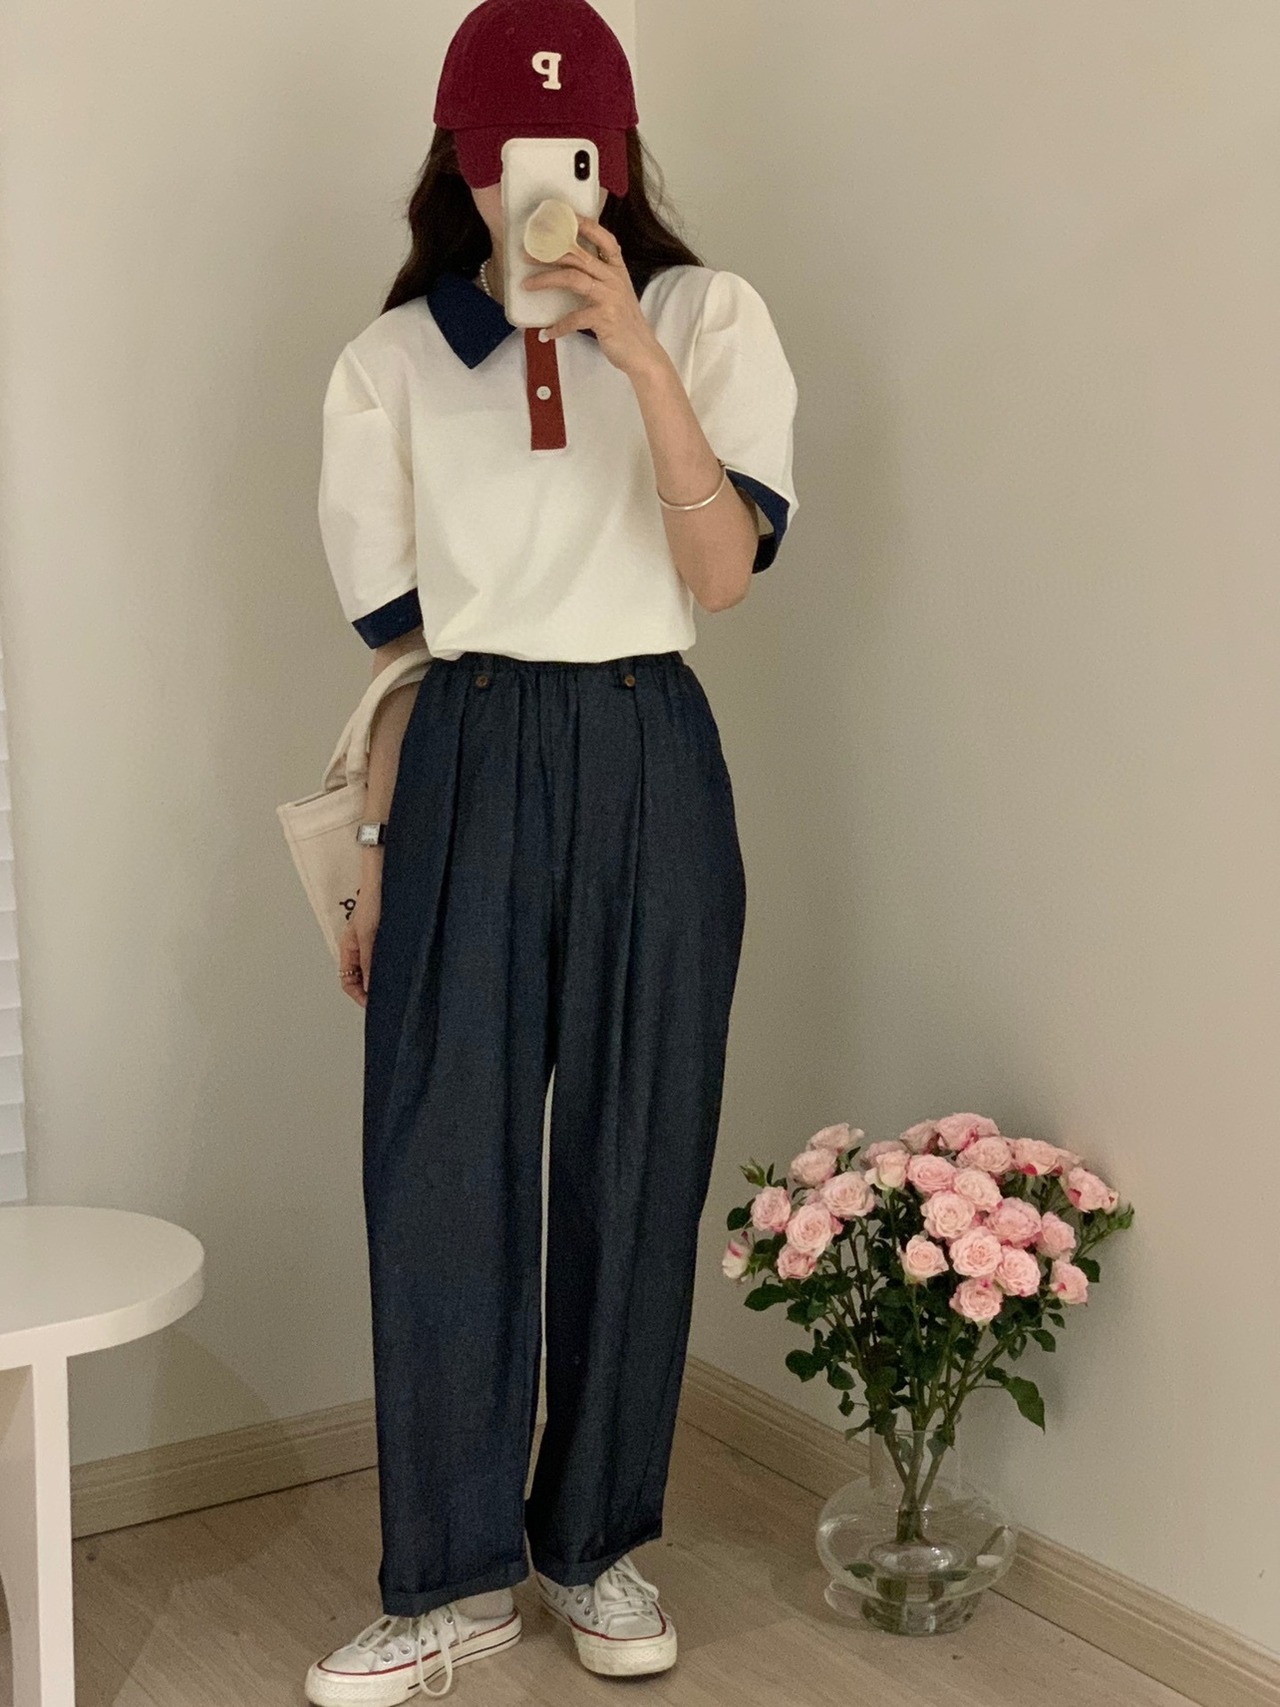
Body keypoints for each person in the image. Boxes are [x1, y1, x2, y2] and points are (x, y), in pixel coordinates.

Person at [304, 0, 799, 1699]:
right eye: (500, 157)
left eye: (567, 151)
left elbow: (721, 574)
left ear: (615, 154)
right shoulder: (388, 361)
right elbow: (404, 646)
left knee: (639, 1150)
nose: (531, 188)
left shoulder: (709, 315)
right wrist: (380, 850)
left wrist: (636, 356)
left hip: (651, 739)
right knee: (439, 1159)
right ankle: (446, 1580)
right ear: (456, 162)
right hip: (465, 745)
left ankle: (595, 1545)